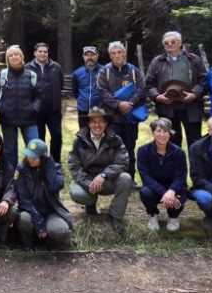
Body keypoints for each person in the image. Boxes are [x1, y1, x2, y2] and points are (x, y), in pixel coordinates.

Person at [68, 107, 134, 235]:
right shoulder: (79, 141)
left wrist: (103, 175)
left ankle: (115, 216)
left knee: (125, 178)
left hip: (107, 180)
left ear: (106, 123)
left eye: (101, 121)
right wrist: (89, 183)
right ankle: (90, 205)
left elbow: (122, 162)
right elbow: (74, 166)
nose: (97, 125)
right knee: (77, 193)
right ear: (88, 123)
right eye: (93, 121)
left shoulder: (115, 139)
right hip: (87, 180)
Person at [145, 31, 208, 149]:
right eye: (166, 43)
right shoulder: (157, 61)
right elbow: (149, 84)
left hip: (191, 108)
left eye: (173, 42)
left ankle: (196, 168)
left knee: (195, 143)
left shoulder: (193, 59)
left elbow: (203, 81)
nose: (170, 44)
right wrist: (158, 97)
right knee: (171, 143)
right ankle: (175, 167)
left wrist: (194, 94)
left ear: (180, 43)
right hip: (167, 108)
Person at [98, 41, 147, 178]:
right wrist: (118, 104)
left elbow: (141, 89)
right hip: (113, 117)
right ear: (110, 55)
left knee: (130, 147)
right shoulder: (104, 71)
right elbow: (102, 92)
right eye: (113, 53)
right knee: (113, 147)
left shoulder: (133, 70)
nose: (117, 55)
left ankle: (130, 177)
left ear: (124, 53)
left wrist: (130, 103)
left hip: (130, 116)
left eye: (119, 52)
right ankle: (113, 177)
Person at [15, 139, 73, 249]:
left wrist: (49, 165)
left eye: (34, 157)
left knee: (60, 231)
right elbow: (23, 200)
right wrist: (39, 221)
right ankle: (28, 245)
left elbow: (54, 187)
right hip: (31, 211)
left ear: (43, 157)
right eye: (28, 156)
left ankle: (50, 244)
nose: (30, 159)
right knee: (24, 219)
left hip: (51, 212)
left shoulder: (54, 168)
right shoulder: (21, 169)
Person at [137, 118, 188, 232]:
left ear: (170, 133)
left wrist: (171, 191)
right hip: (154, 188)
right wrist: (165, 193)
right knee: (145, 193)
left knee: (182, 194)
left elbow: (181, 176)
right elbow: (145, 176)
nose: (162, 135)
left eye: (165, 131)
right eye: (158, 131)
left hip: (173, 189)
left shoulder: (178, 152)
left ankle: (173, 217)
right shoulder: (143, 151)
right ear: (153, 133)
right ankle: (153, 215)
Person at [0, 45, 40, 164]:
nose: (14, 57)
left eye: (16, 54)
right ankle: (11, 180)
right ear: (7, 59)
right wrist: (2, 109)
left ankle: (33, 178)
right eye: (10, 55)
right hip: (8, 120)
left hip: (29, 119)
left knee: (34, 149)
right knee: (10, 152)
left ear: (22, 57)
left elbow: (40, 96)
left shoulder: (31, 75)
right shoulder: (2, 75)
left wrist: (33, 109)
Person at [25, 42, 64, 162]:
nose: (43, 54)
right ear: (35, 53)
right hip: (36, 111)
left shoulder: (56, 67)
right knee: (39, 139)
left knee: (57, 137)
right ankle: (41, 163)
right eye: (40, 51)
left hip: (53, 110)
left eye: (45, 52)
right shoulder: (27, 68)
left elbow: (60, 84)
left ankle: (55, 162)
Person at [71, 46, 102, 129]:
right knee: (83, 134)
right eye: (87, 55)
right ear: (83, 56)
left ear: (97, 55)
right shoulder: (77, 73)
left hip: (100, 110)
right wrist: (82, 100)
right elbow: (75, 91)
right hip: (83, 109)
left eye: (92, 55)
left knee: (100, 134)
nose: (89, 57)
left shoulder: (104, 71)